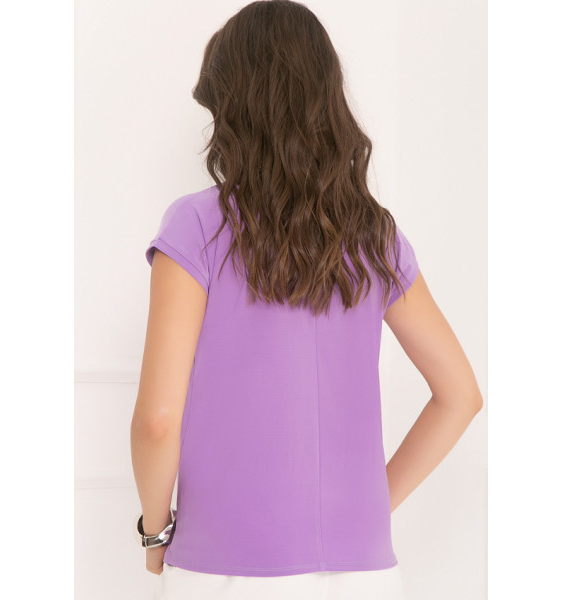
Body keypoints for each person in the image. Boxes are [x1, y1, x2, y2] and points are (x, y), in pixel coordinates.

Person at [130, 2, 483, 599]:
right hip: (366, 575)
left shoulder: (197, 226)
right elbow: (461, 395)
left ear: (234, 106)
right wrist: (369, 509)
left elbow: (157, 421)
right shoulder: (375, 237)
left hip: (224, 570)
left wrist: (155, 530)